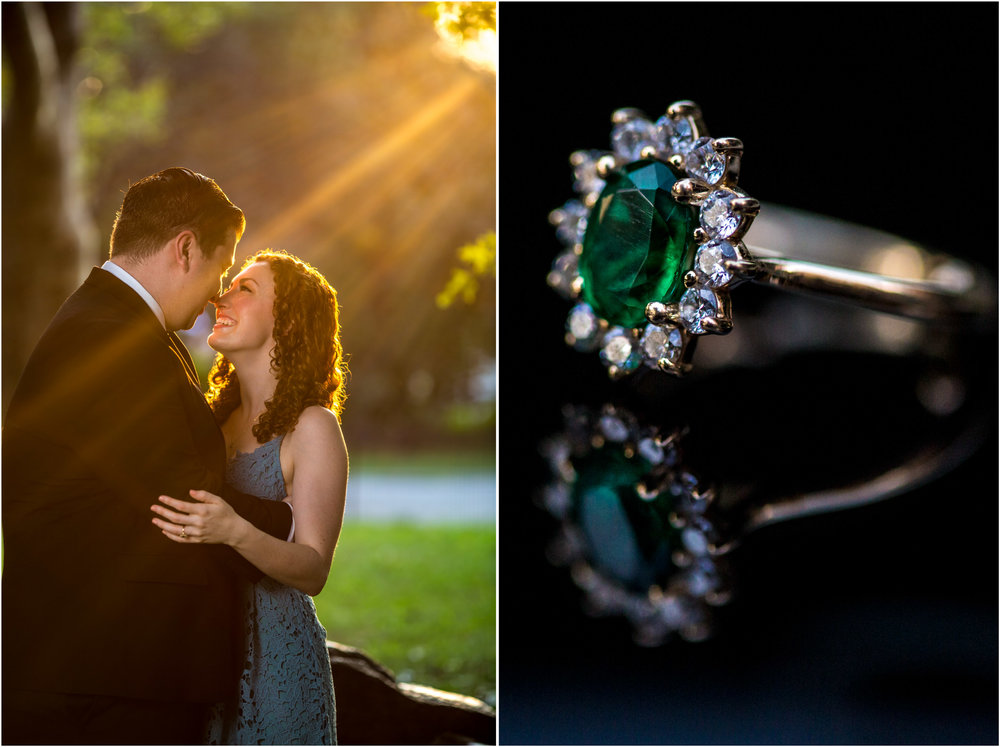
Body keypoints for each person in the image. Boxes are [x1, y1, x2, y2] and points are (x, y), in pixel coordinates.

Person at [2, 168, 294, 745]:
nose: (218, 291)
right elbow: (180, 494)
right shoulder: (110, 336)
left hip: (108, 664)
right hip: (107, 676)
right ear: (185, 248)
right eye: (220, 265)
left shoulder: (119, 323)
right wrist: (292, 529)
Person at [150, 249, 349, 745]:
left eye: (246, 288)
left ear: (287, 321)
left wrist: (233, 530)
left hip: (278, 665)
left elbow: (313, 569)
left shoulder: (313, 428)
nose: (222, 295)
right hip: (203, 662)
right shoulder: (211, 423)